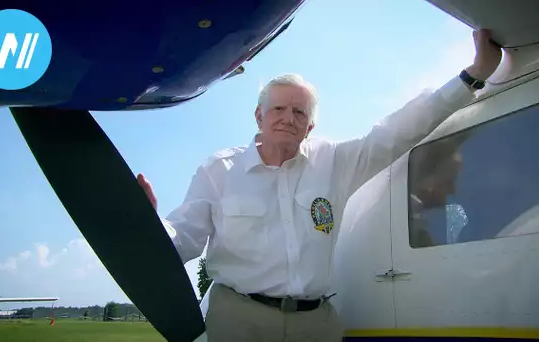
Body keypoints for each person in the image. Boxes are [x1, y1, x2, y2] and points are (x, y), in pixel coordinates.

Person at [138, 29, 502, 341]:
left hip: (316, 322)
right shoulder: (219, 170)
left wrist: (471, 77)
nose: (287, 119)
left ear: (310, 127)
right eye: (278, 109)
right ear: (258, 116)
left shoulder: (334, 162)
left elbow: (397, 132)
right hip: (239, 319)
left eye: (299, 113)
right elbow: (183, 241)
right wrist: (143, 223)